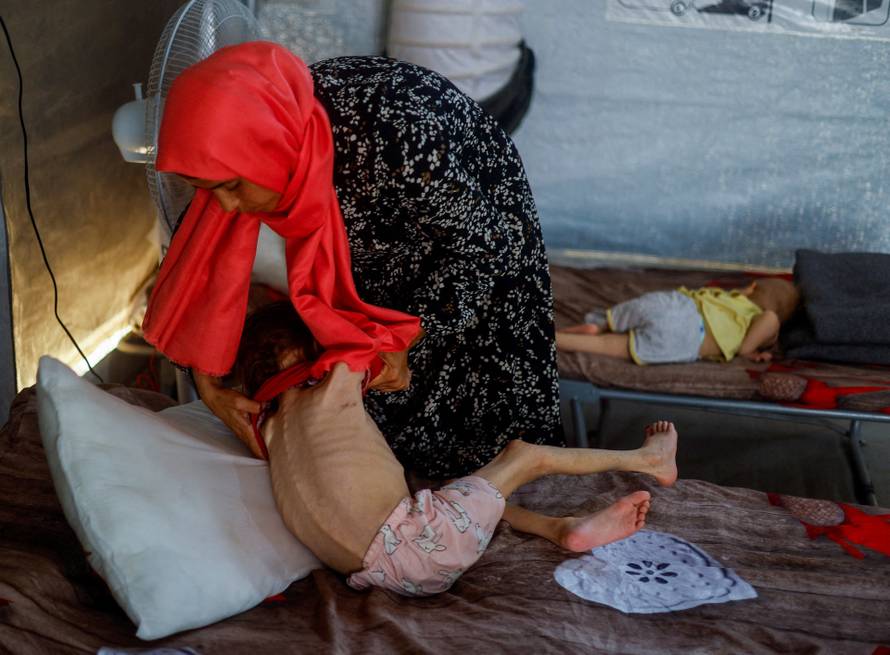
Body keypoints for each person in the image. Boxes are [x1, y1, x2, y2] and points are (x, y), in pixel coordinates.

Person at [141, 41, 561, 479]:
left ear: (268, 146)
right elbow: (201, 264)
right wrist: (207, 381)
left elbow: (485, 249)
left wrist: (406, 337)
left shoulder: (399, 133)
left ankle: (491, 491)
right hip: (387, 239)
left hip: (478, 241)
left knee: (478, 401)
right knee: (378, 383)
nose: (224, 207)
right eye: (208, 189)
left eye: (231, 187)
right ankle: (408, 484)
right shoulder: (259, 132)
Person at [236, 301, 678, 596]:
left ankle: (561, 529)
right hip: (424, 547)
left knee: (454, 488)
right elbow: (391, 357)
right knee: (524, 456)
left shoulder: (265, 427)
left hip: (378, 574)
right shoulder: (336, 382)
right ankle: (650, 460)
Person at [556, 278, 800, 365]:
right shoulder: (764, 317)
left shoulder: (728, 297)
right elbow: (767, 321)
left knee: (629, 312)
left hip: (679, 303)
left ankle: (601, 324)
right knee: (608, 346)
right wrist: (753, 349)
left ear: (752, 287)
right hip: (691, 334)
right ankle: (557, 340)